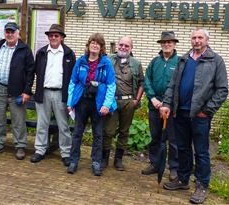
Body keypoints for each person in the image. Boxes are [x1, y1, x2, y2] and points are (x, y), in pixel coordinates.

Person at [160, 28, 228, 204]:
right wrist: (167, 104)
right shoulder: (184, 59)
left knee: (201, 151)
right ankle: (183, 180)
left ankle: (202, 185)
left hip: (200, 116)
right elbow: (172, 85)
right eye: (194, 38)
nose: (196, 40)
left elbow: (222, 90)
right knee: (182, 147)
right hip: (180, 112)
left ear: (206, 40)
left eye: (200, 38)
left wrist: (207, 110)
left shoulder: (215, 60)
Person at [66, 33, 117, 176]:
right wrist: (70, 101)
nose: (94, 45)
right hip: (82, 100)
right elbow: (73, 82)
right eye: (92, 43)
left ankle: (96, 162)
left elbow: (111, 85)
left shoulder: (106, 62)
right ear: (88, 45)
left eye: (98, 44)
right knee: (77, 133)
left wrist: (106, 104)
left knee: (98, 134)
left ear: (101, 47)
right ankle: (73, 161)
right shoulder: (81, 61)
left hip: (98, 102)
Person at [0, 22, 34, 160]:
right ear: (4, 33)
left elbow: (30, 72)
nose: (10, 34)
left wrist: (26, 91)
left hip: (17, 90)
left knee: (18, 119)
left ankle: (20, 146)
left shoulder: (25, 49)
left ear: (18, 33)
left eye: (12, 32)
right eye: (7, 32)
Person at [31, 24, 76, 166]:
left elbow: (73, 77)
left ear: (62, 37)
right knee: (42, 124)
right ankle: (40, 150)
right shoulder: (41, 52)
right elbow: (37, 72)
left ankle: (66, 153)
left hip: (60, 94)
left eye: (56, 35)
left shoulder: (69, 53)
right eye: (51, 35)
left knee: (63, 126)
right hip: (43, 92)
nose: (53, 38)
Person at [102, 36, 144, 171]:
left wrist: (136, 100)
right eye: (121, 45)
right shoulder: (108, 60)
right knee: (108, 131)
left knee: (124, 131)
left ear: (131, 48)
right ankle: (104, 158)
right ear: (118, 45)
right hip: (112, 101)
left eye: (126, 46)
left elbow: (142, 83)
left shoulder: (136, 64)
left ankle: (118, 159)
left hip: (128, 102)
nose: (123, 48)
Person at [142, 31, 179, 181]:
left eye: (169, 42)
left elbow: (179, 85)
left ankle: (174, 168)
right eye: (164, 42)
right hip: (154, 106)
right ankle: (155, 163)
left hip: (171, 109)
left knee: (173, 139)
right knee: (155, 136)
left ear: (174, 43)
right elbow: (147, 81)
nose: (166, 44)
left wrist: (168, 103)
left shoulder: (180, 62)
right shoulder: (154, 62)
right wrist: (152, 98)